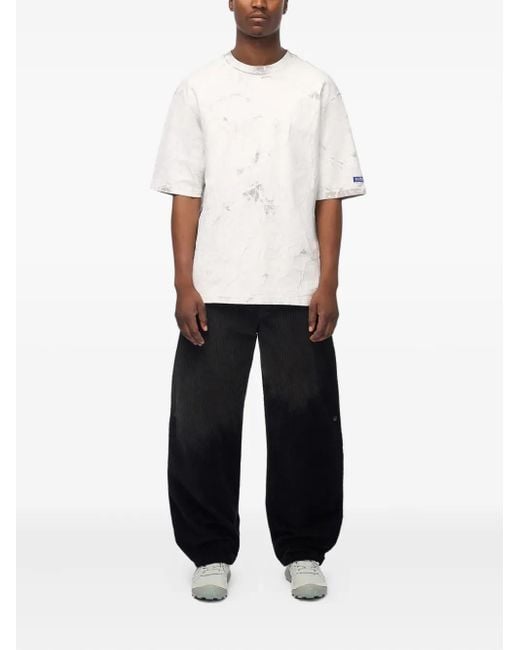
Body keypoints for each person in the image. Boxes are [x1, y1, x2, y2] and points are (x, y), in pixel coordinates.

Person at [150, 0, 366, 601]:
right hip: (216, 286)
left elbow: (329, 193)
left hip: (296, 286)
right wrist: (184, 283)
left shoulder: (316, 87)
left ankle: (304, 550)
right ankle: (209, 553)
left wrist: (328, 283)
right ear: (229, 1)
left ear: (287, 2)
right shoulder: (199, 88)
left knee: (305, 426)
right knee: (202, 426)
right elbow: (186, 192)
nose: (259, 3)